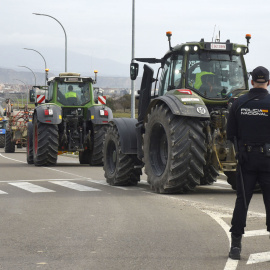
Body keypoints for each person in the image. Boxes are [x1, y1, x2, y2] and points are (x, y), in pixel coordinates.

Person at [226, 66, 270, 260]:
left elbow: (230, 134)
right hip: (269, 160)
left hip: (246, 160)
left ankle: (235, 247)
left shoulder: (238, 103)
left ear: (251, 81)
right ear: (268, 82)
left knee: (242, 201)